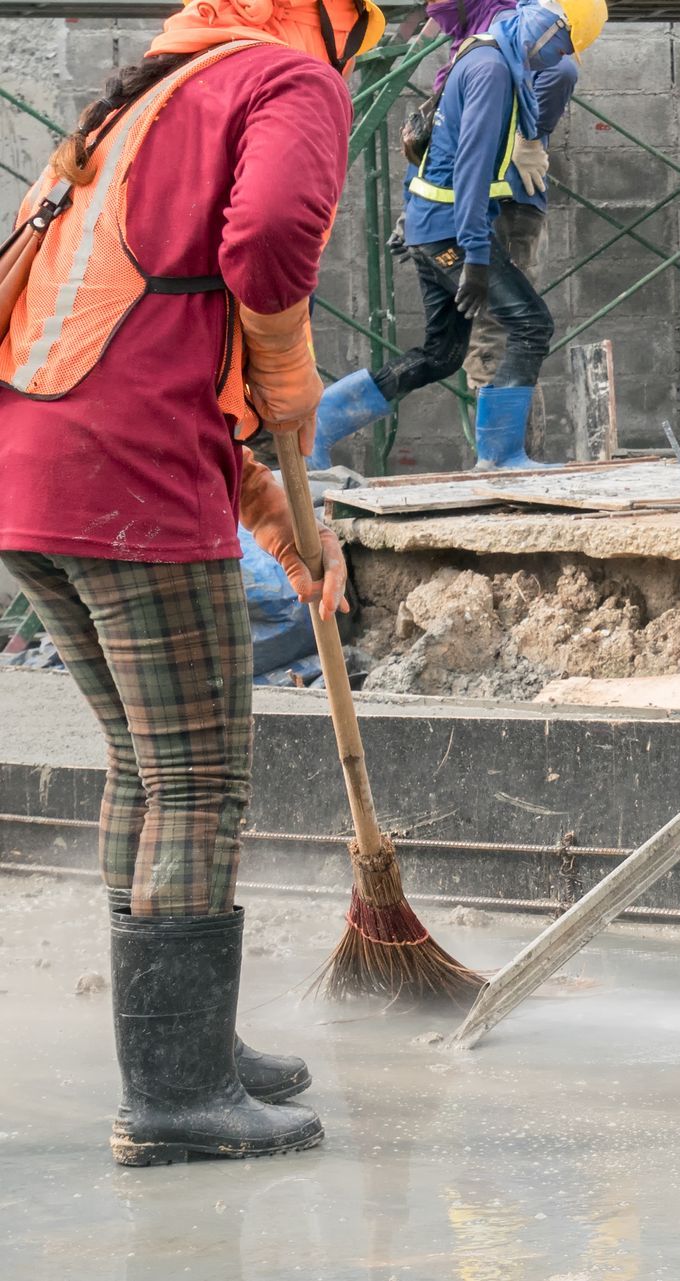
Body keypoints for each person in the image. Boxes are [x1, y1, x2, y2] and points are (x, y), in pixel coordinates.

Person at [0, 0, 373, 1163]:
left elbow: (140, 328)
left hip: (33, 469)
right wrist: (290, 372)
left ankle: (184, 1049)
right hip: (131, 479)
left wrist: (277, 515)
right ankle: (171, 1098)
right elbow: (265, 245)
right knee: (201, 779)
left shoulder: (149, 92)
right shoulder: (287, 80)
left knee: (148, 770)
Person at [307, 0, 604, 472]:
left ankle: (319, 423)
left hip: (434, 224)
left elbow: (433, 150)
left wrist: (413, 215)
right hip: (451, 230)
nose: (560, 61)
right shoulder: (493, 72)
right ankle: (502, 456)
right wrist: (477, 257)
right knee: (531, 325)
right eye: (562, 47)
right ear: (546, 30)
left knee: (442, 354)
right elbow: (471, 169)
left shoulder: (481, 54)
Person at [452, 0, 579, 403]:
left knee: (495, 329)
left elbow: (562, 68)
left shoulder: (491, 36)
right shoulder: (497, 42)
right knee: (501, 327)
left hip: (502, 202)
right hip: (502, 201)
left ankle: (501, 454)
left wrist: (532, 131)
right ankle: (500, 456)